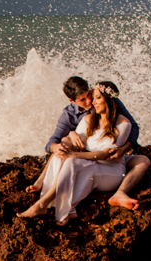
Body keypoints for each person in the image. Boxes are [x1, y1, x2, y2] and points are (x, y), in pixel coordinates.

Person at [19, 84, 137, 223]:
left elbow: (104, 154)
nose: (91, 102)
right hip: (91, 162)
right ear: (72, 101)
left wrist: (74, 155)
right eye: (92, 98)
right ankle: (64, 207)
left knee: (73, 161)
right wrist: (68, 138)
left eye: (96, 98)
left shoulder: (123, 123)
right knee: (61, 155)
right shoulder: (88, 119)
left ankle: (43, 204)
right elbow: (65, 141)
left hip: (112, 170)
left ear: (108, 99)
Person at [42, 77, 150, 211]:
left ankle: (120, 192)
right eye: (82, 100)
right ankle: (44, 185)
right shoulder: (69, 114)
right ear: (72, 101)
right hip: (87, 155)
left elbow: (132, 125)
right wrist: (70, 134)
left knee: (143, 161)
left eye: (90, 95)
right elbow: (52, 143)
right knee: (65, 143)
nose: (90, 102)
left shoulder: (103, 97)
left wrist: (124, 148)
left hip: (113, 155)